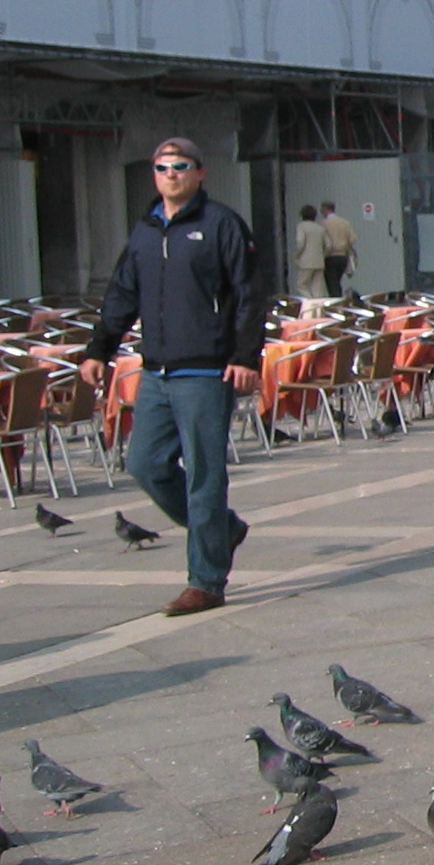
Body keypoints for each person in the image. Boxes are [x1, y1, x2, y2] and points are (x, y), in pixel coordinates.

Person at [79, 139, 262, 617]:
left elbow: (248, 294)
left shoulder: (221, 224)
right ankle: (222, 530)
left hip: (206, 370)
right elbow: (122, 293)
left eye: (181, 166)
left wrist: (246, 356)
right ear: (154, 174)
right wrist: (100, 347)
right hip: (156, 371)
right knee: (145, 463)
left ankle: (205, 580)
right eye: (162, 167)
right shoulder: (144, 231)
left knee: (205, 475)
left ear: (200, 173)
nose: (171, 174)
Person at [319, 200, 357, 298]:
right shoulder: (345, 223)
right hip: (343, 256)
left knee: (332, 283)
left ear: (325, 210)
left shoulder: (324, 224)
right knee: (337, 280)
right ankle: (339, 298)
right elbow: (352, 239)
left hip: (330, 256)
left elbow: (322, 240)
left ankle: (336, 302)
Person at [291, 204, 326, 298]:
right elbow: (329, 244)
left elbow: (300, 242)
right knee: (318, 288)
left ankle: (310, 301)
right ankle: (318, 305)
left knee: (301, 285)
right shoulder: (320, 228)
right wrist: (323, 254)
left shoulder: (302, 226)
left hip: (306, 261)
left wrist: (296, 255)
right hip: (319, 261)